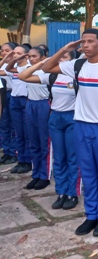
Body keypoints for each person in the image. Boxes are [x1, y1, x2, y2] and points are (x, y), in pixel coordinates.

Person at [42, 29, 98, 237]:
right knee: (87, 174)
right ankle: (91, 215)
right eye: (84, 42)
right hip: (81, 125)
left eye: (91, 41)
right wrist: (66, 48)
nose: (86, 45)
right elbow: (47, 67)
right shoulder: (77, 65)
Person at [20, 50, 79, 208]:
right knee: (58, 158)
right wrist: (40, 63)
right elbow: (23, 76)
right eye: (58, 58)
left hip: (73, 117)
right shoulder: (51, 76)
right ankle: (61, 191)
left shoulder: (77, 75)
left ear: (72, 61)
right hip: (55, 117)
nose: (61, 60)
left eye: (65, 58)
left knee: (72, 158)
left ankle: (72, 193)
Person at [7, 47, 51, 189]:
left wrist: (41, 64)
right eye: (30, 56)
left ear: (43, 57)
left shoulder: (47, 71)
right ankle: (36, 174)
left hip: (44, 104)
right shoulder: (26, 70)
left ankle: (45, 176)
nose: (31, 59)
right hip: (30, 104)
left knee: (44, 141)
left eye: (34, 56)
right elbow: (10, 69)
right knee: (33, 142)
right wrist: (18, 57)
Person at [1, 45, 32, 174]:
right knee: (19, 132)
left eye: (19, 53)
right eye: (14, 53)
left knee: (26, 132)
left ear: (26, 55)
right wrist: (10, 56)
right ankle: (21, 160)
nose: (15, 55)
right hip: (14, 100)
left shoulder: (29, 67)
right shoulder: (15, 68)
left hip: (25, 100)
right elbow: (6, 68)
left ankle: (28, 160)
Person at [0, 42, 17, 165]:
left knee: (13, 125)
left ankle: (14, 152)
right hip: (2, 95)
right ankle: (7, 152)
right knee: (4, 124)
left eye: (7, 50)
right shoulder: (2, 64)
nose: (4, 52)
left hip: (12, 95)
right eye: (2, 50)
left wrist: (8, 58)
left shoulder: (15, 65)